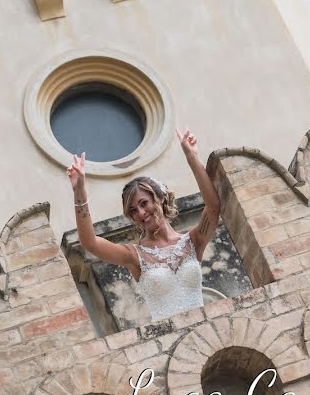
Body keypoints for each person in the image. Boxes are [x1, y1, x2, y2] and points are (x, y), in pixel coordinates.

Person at [67, 128, 221, 320]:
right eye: (133, 210)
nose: (140, 213)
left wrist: (192, 157)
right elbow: (89, 242)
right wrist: (79, 190)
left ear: (160, 198)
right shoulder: (134, 256)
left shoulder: (193, 241)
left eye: (143, 203)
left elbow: (213, 207)